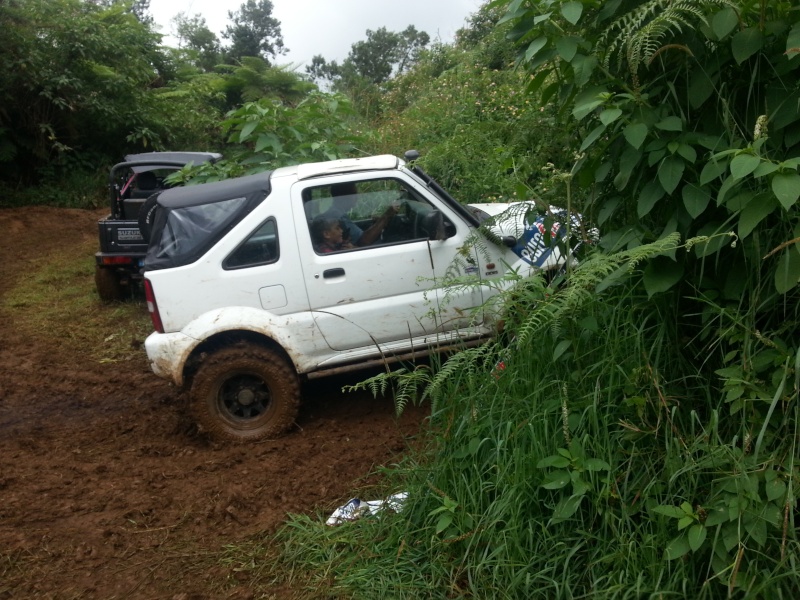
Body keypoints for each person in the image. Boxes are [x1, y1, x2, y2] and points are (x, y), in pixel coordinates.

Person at [322, 182, 398, 247]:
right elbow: (365, 241)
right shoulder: (338, 216)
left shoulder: (337, 212)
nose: (357, 197)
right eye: (354, 194)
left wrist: (377, 223)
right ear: (344, 197)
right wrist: (387, 215)